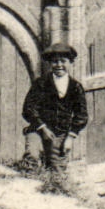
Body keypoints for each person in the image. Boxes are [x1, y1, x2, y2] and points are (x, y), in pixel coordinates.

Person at [22, 41, 87, 170]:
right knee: (32, 158)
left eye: (63, 61)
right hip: (38, 130)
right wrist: (42, 127)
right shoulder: (41, 84)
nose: (59, 65)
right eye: (55, 62)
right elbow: (28, 108)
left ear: (70, 63)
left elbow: (81, 115)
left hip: (61, 134)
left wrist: (70, 137)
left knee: (56, 169)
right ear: (50, 64)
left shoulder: (76, 87)